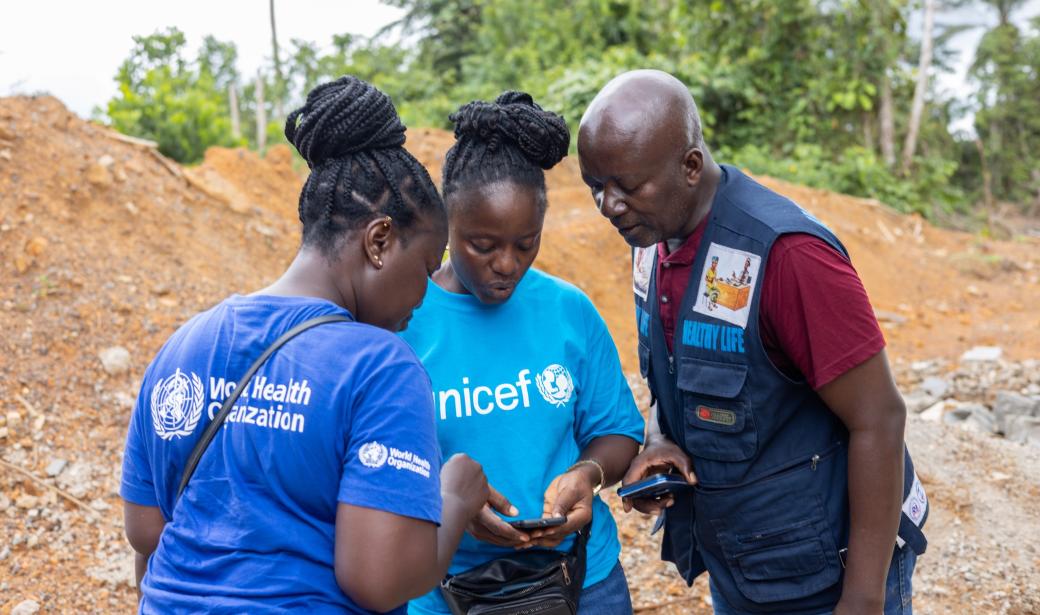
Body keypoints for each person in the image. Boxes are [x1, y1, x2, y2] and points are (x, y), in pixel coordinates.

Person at [120, 76, 490, 614]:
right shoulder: (379, 367)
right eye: (426, 269)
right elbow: (377, 579)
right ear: (380, 241)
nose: (424, 294)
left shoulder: (185, 342)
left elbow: (148, 530)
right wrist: (454, 495)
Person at [577, 70, 928, 615]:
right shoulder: (651, 239)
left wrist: (862, 598)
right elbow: (672, 373)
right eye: (594, 186)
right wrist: (659, 435)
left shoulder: (789, 257)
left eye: (626, 185)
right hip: (743, 566)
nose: (608, 205)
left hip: (825, 577)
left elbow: (879, 418)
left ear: (690, 167)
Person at [399, 92, 645, 615]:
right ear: (447, 223)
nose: (506, 265)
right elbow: (370, 467)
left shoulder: (567, 310)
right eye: (483, 245)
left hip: (583, 583)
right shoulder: (403, 320)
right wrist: (454, 508)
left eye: (525, 243)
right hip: (445, 593)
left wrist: (587, 475)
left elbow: (619, 431)